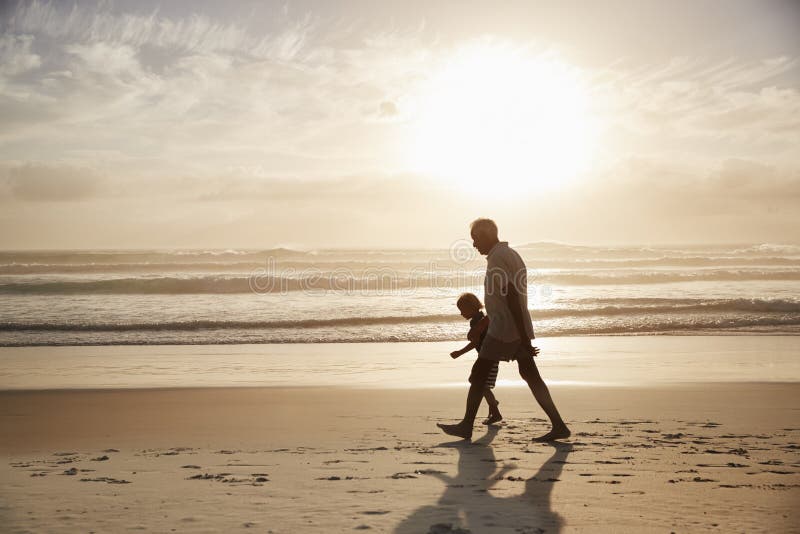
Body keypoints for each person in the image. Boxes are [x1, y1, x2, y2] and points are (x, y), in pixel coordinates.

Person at [438, 218, 570, 442]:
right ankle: (558, 425)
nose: (474, 245)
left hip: (504, 330)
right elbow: (504, 298)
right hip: (511, 328)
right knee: (530, 376)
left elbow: (510, 297)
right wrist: (521, 333)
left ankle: (466, 426)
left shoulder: (498, 258)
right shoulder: (511, 254)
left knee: (479, 375)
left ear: (487, 235)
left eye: (476, 239)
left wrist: (524, 337)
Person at [450, 292, 503, 425]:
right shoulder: (482, 317)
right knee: (481, 384)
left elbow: (475, 342)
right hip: (489, 356)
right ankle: (494, 407)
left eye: (462, 310)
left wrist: (459, 352)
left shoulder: (477, 322)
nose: (461, 314)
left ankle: (494, 408)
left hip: (489, 357)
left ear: (471, 307)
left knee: (480, 384)